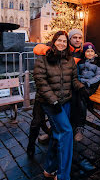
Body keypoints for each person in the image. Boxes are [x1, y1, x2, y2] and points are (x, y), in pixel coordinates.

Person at [33, 30, 87, 180]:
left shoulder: (70, 59)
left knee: (58, 135)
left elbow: (73, 80)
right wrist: (53, 101)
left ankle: (49, 168)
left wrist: (82, 88)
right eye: (59, 40)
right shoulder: (44, 58)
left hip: (66, 102)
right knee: (67, 132)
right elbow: (40, 82)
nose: (62, 43)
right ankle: (62, 178)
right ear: (54, 41)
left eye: (64, 41)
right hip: (50, 103)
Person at [27, 29, 83, 158]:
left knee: (60, 123)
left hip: (64, 93)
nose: (77, 40)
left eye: (79, 37)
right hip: (45, 96)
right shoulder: (50, 50)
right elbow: (37, 48)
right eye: (74, 37)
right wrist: (48, 51)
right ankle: (31, 145)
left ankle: (55, 147)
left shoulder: (81, 52)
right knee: (37, 121)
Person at [75, 42, 100, 141]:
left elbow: (99, 76)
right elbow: (77, 74)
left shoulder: (98, 62)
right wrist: (80, 81)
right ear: (84, 53)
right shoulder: (80, 62)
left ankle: (80, 126)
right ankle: (72, 120)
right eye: (87, 51)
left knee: (81, 94)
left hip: (92, 85)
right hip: (82, 84)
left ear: (95, 52)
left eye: (92, 51)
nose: (90, 53)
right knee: (75, 94)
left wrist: (88, 82)